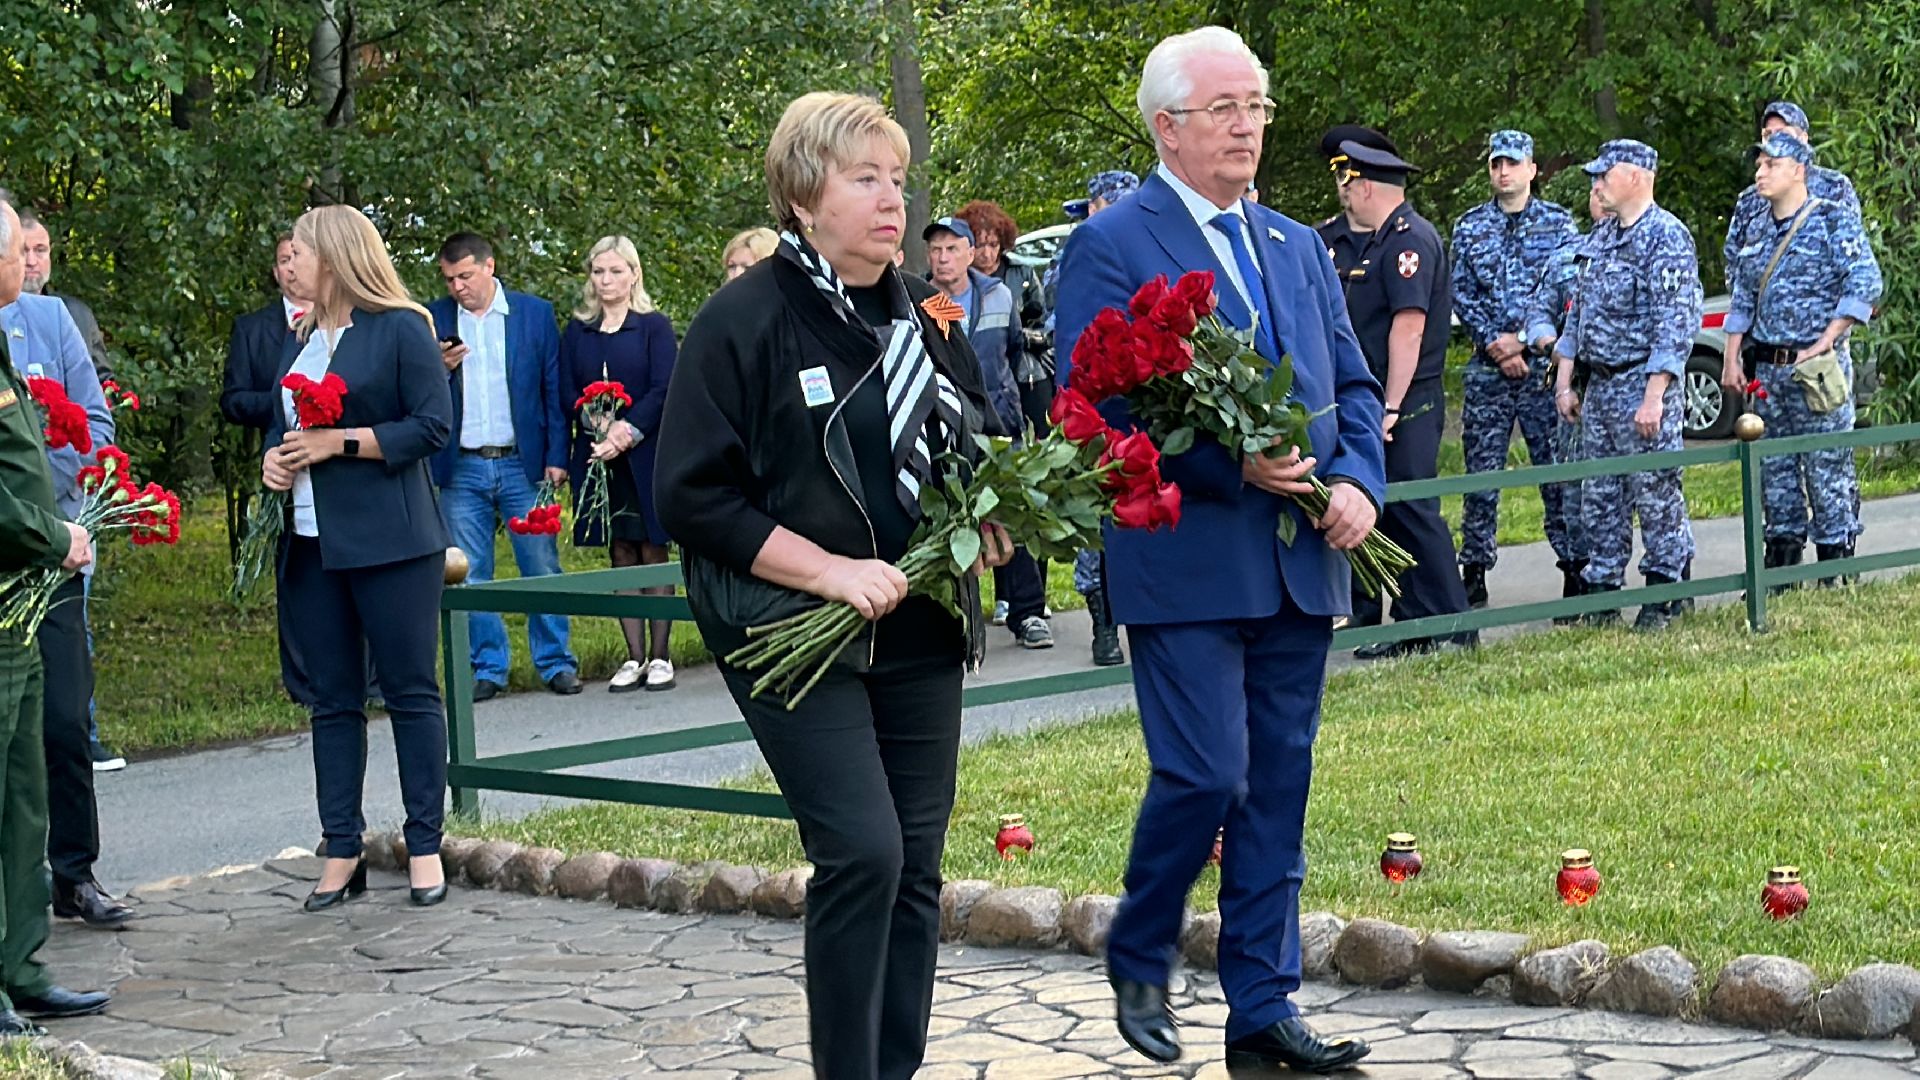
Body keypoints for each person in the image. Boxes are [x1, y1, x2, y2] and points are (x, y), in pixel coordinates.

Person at [655, 91, 1012, 1080]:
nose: (893, 200)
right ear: (806, 196)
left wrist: (988, 513)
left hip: (921, 624)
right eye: (866, 179)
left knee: (915, 865)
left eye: (897, 179)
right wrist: (828, 572)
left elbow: (978, 429)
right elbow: (689, 495)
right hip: (790, 630)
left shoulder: (928, 311)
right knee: (863, 853)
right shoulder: (742, 319)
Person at [1053, 28, 1383, 1073]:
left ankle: (1263, 1005)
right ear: (1167, 126)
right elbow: (1092, 411)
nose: (1248, 126)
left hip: (1300, 560)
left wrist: (1360, 484)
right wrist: (1226, 463)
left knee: (1277, 788)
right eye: (1225, 108)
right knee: (1206, 773)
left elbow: (1353, 384)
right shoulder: (1113, 245)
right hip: (1187, 562)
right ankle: (1140, 946)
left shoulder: (1295, 244)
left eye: (1257, 106)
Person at [260, 204, 454, 911]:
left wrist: (338, 443)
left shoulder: (401, 328)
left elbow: (431, 426)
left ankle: (425, 843)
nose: (290, 265)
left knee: (409, 691)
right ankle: (341, 846)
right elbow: (281, 427)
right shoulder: (301, 338)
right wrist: (273, 462)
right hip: (312, 543)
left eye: (301, 253)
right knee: (332, 700)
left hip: (392, 540)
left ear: (336, 257)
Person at [0, 192, 112, 1034]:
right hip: (14, 579)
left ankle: (21, 965)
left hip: (27, 592)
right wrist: (53, 535)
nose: (28, 264)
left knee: (24, 790)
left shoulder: (31, 326)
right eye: (17, 252)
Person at [1315, 127, 1473, 659]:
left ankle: (1452, 622)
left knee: (1412, 508)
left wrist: (1390, 406)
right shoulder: (1352, 236)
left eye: (1347, 181)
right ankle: (1411, 625)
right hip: (1364, 396)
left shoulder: (1409, 239)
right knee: (1382, 511)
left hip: (1405, 398)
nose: (1342, 191)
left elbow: (1408, 330)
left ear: (1364, 186)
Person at [1534, 140, 1701, 631]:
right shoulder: (1602, 236)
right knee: (1600, 496)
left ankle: (1664, 593)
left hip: (1641, 382)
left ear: (1634, 177)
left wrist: (1654, 396)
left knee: (1655, 493)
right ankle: (1603, 594)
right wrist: (1565, 383)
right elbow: (1577, 316)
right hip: (1601, 388)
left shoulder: (1665, 237)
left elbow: (1675, 324)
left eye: (1604, 176)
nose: (1597, 185)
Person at [1721, 132, 1880, 579]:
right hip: (1768, 371)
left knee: (1827, 468)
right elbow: (1742, 297)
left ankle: (1836, 569)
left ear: (1798, 170)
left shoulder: (1831, 219)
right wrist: (1731, 357)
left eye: (1771, 164)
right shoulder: (1756, 227)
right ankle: (1782, 570)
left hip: (1815, 370)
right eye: (1759, 164)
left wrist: (1827, 339)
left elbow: (1865, 282)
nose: (1760, 172)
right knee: (1775, 472)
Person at [427, 233, 579, 701]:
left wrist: (558, 456)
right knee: (469, 572)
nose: (457, 287)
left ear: (489, 266)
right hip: (461, 465)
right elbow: (413, 393)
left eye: (465, 276)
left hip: (522, 463)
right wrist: (438, 368)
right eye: (449, 279)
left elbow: (553, 389)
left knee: (541, 566)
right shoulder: (432, 319)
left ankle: (556, 662)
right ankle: (488, 668)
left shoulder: (533, 314)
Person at [1450, 130, 1584, 610]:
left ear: (1532, 169)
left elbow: (1570, 289)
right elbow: (1460, 292)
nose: (1503, 172)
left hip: (1543, 368)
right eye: (1495, 164)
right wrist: (1495, 344)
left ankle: (1574, 567)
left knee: (1557, 472)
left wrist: (1524, 340)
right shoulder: (1470, 227)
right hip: (1488, 369)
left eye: (1512, 163)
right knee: (1480, 475)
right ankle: (1474, 569)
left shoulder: (1559, 224)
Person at [18, 209, 121, 773]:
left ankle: (83, 736)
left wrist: (54, 490)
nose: (29, 262)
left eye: (39, 251)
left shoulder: (61, 316)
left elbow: (95, 420)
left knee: (64, 689)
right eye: (20, 251)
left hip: (59, 527)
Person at [925, 215, 1051, 650]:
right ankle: (959, 620)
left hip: (1000, 423)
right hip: (946, 429)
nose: (942, 258)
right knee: (952, 522)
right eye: (935, 250)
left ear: (969, 253)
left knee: (1011, 514)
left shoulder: (998, 294)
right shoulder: (920, 298)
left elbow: (1014, 349)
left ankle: (1028, 613)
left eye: (951, 249)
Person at [559, 237, 679, 691]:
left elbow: (664, 388)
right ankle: (633, 656)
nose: (606, 280)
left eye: (615, 271)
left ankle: (661, 656)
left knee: (652, 547)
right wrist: (593, 422)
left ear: (634, 274)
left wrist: (626, 431)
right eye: (598, 272)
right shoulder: (579, 331)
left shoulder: (653, 327)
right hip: (597, 456)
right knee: (621, 550)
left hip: (645, 454)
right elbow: (566, 389)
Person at [223, 233, 336, 710]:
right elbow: (234, 399)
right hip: (285, 463)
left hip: (339, 471)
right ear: (275, 272)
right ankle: (303, 681)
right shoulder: (255, 329)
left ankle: (363, 678)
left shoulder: (355, 328)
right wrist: (283, 407)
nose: (291, 267)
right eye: (284, 260)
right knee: (295, 575)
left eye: (299, 256)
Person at [1058, 170, 1140, 668]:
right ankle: (1103, 626)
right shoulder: (1079, 253)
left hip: (1143, 404)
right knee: (1095, 519)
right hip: (1090, 406)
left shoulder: (1145, 251)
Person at [1722, 101, 1860, 301]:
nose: (1774, 139)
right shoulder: (1750, 199)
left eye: (1782, 132)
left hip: (1822, 312)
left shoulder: (1834, 187)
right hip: (1764, 314)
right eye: (1767, 134)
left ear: (1803, 138)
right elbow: (1734, 258)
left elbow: (1853, 254)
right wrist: (1744, 307)